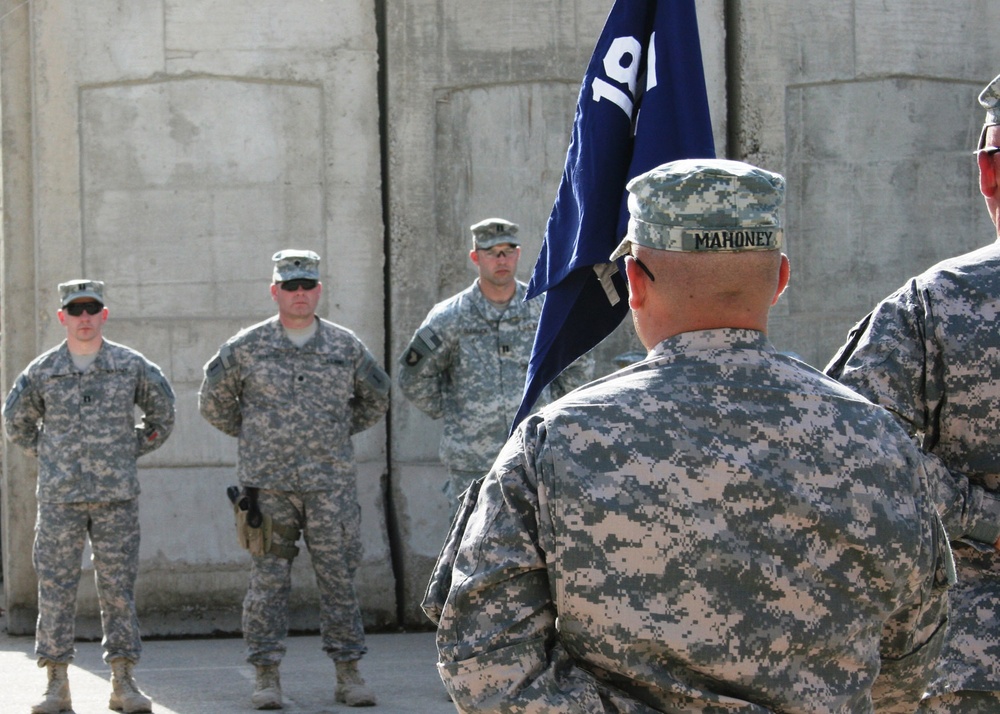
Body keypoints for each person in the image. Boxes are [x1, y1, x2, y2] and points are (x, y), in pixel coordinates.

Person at [422, 159, 955, 713]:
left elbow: (485, 662)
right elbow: (909, 653)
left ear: (633, 283)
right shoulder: (878, 439)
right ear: (779, 280)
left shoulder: (553, 442)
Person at [825, 74, 1000, 713]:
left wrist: (983, 518)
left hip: (972, 659)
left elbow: (852, 450)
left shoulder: (933, 306)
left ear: (988, 174)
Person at [199, 249, 390, 709]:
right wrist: (257, 437)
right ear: (275, 291)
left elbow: (376, 398)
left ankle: (349, 674)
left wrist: (334, 434)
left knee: (339, 580)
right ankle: (265, 677)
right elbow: (213, 403)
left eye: (307, 285)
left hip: (331, 485)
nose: (299, 293)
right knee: (268, 582)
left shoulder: (345, 346)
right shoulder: (246, 346)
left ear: (319, 290)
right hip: (269, 488)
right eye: (290, 286)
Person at [3, 279, 175, 714]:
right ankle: (56, 684)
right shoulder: (42, 371)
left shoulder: (129, 366)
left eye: (91, 310)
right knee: (55, 589)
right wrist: (51, 454)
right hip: (60, 499)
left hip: (115, 498)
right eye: (75, 311)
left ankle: (123, 680)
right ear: (62, 317)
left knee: (118, 590)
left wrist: (127, 448)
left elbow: (163, 413)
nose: (84, 318)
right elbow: (16, 422)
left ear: (104, 314)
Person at [398, 218, 592, 508]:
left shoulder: (544, 310)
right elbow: (413, 377)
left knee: (539, 544)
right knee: (469, 545)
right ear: (475, 257)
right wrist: (456, 412)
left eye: (508, 250)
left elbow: (577, 363)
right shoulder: (450, 316)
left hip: (535, 452)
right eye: (491, 252)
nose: (501, 259)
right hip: (473, 462)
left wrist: (554, 413)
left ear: (518, 254)